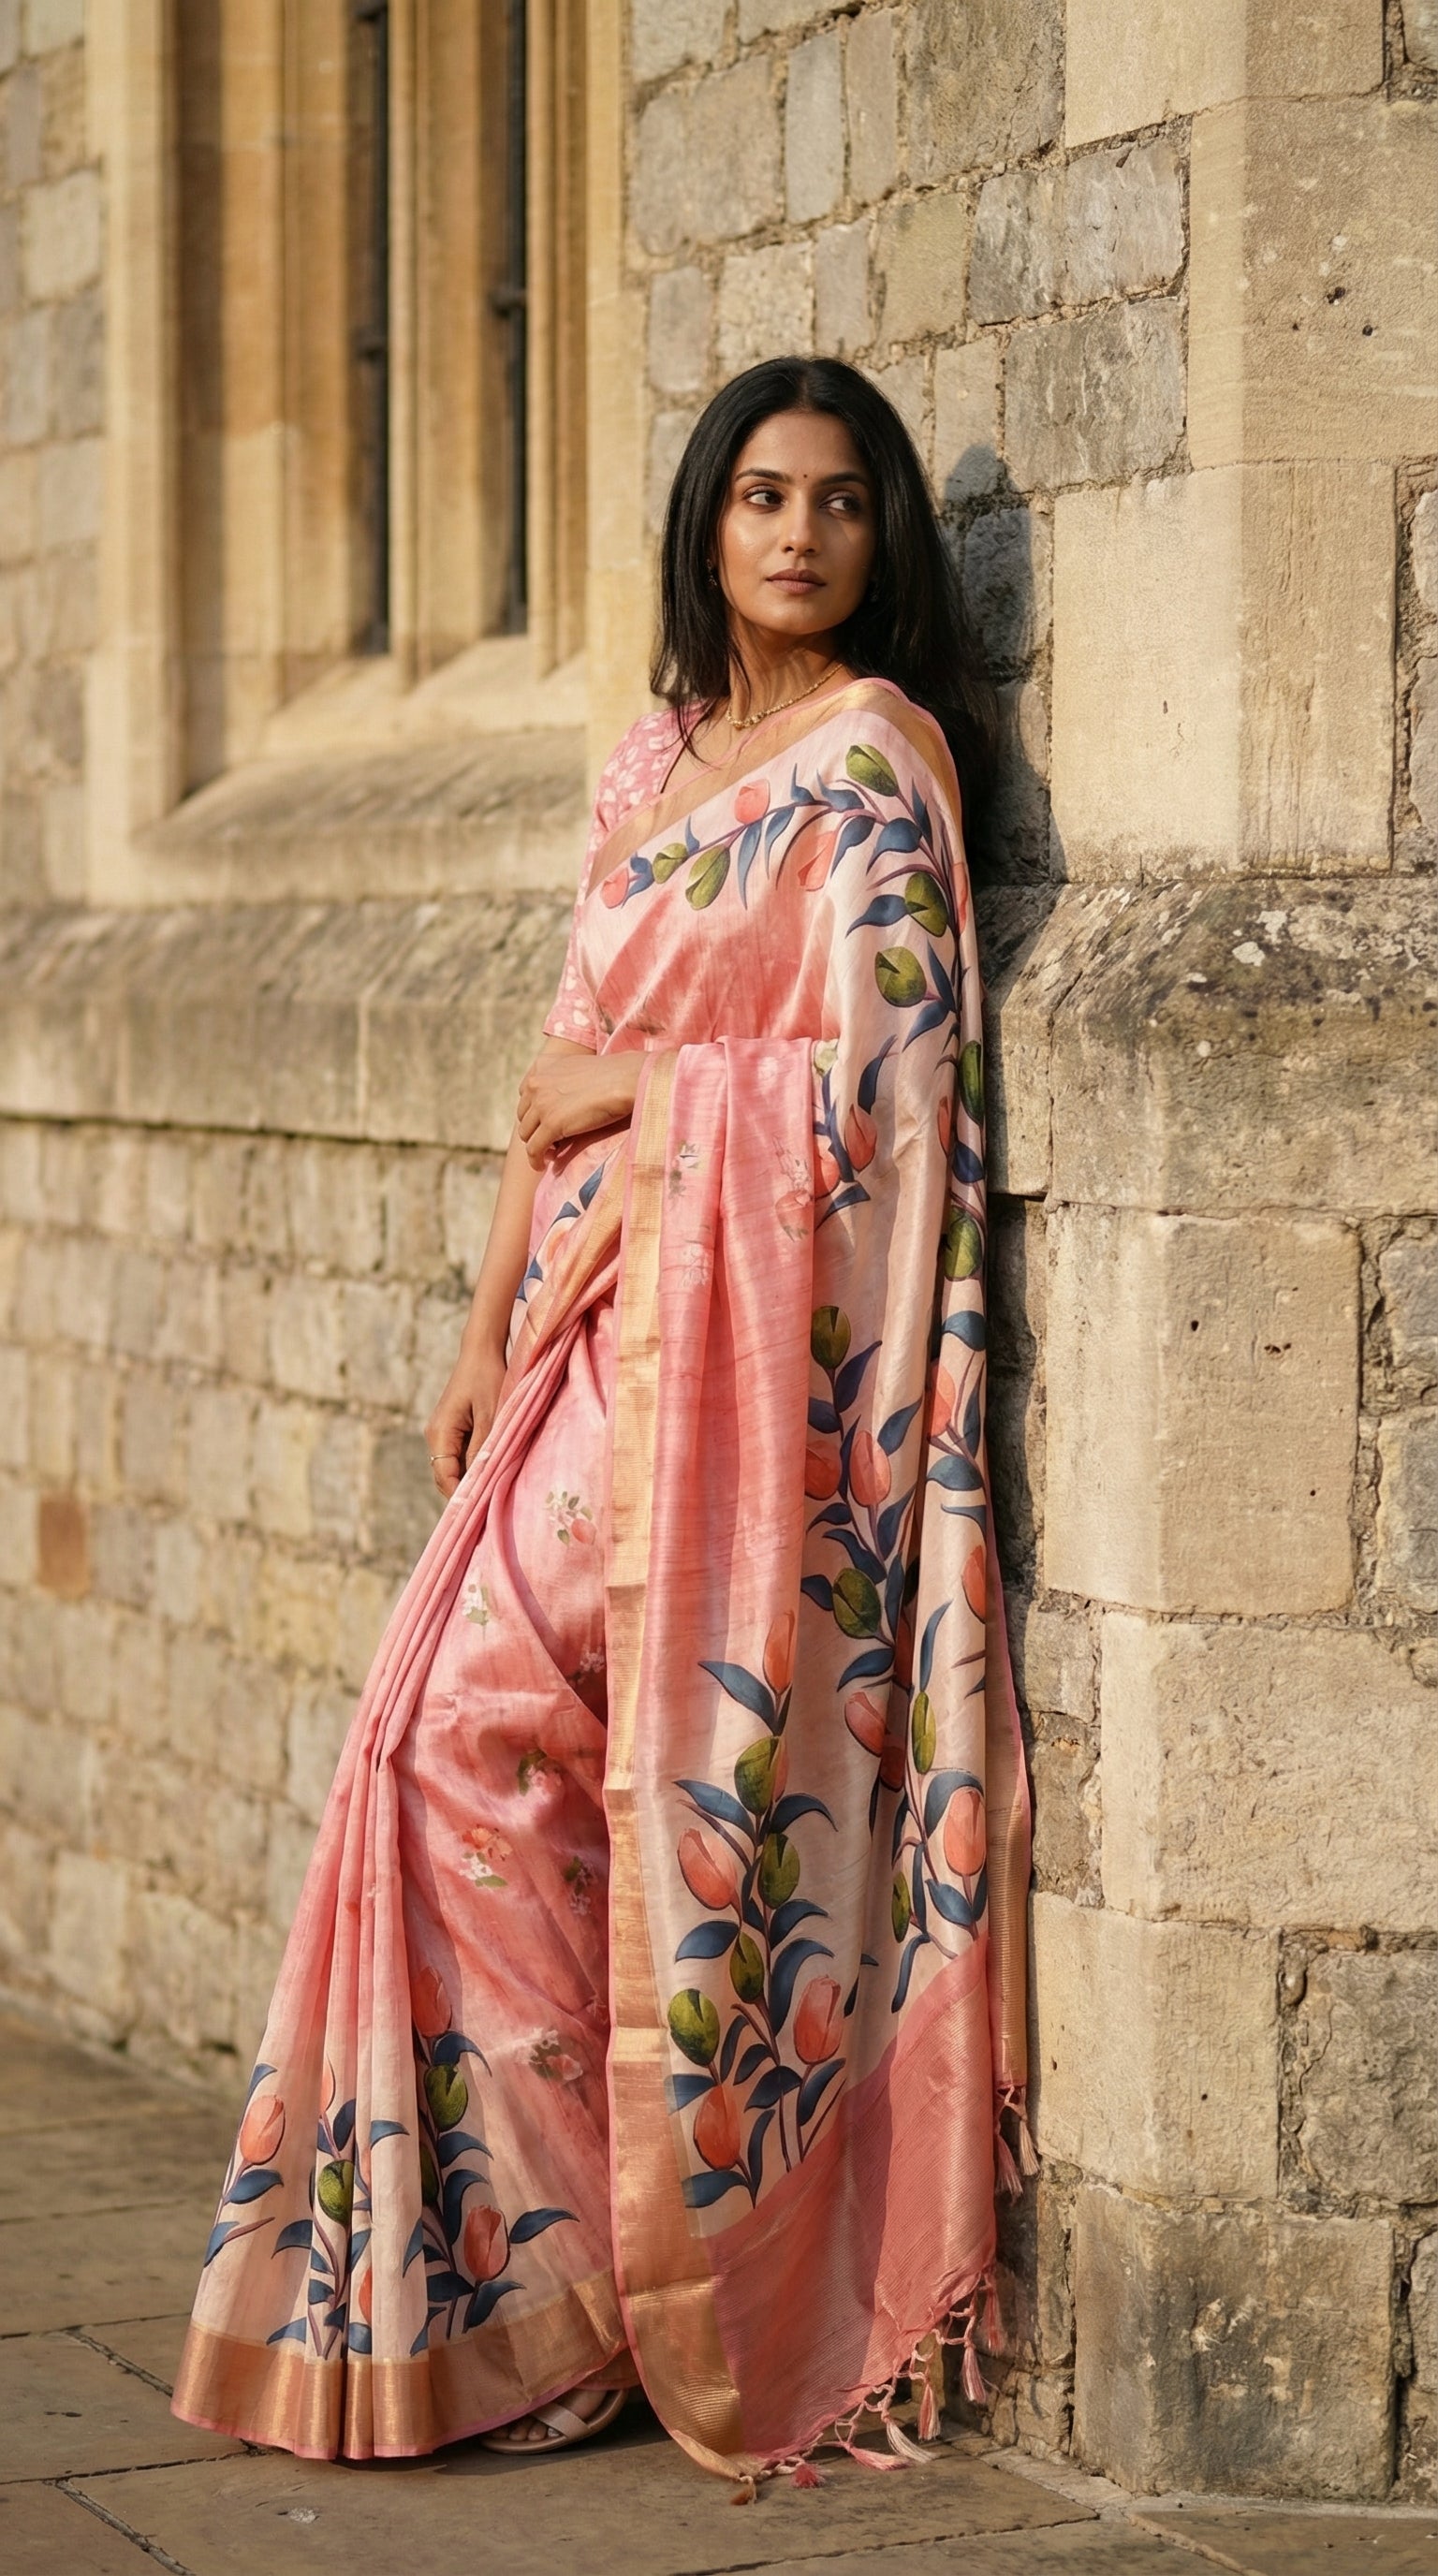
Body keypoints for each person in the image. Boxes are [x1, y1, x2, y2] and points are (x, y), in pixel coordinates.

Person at [170, 356, 1034, 2484]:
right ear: (706, 523)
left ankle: (603, 2292)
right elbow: (555, 1063)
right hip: (586, 1326)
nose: (800, 534)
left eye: (840, 500)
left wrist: (664, 1097)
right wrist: (484, 1326)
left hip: (735, 1369)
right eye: (760, 495)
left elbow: (898, 1093)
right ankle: (532, 2282)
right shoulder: (656, 756)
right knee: (436, 1745)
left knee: (487, 1739)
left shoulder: (873, 766)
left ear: (883, 535)